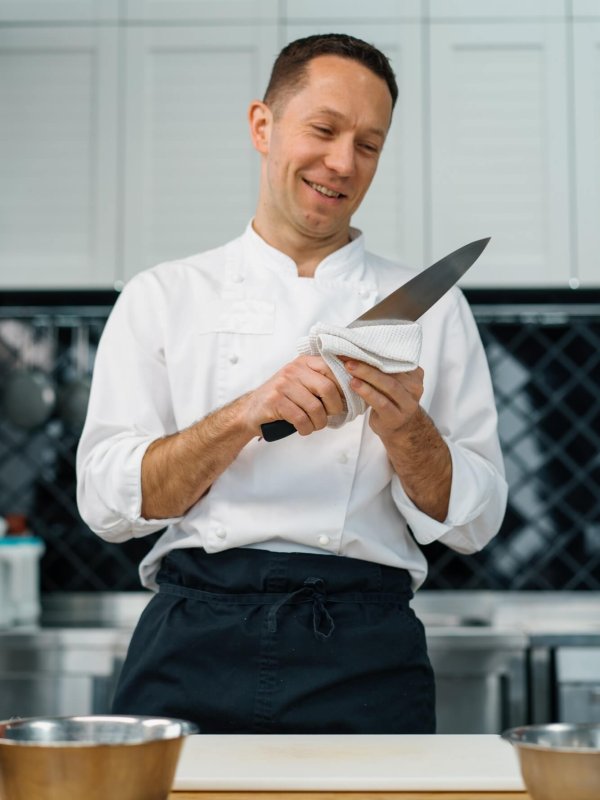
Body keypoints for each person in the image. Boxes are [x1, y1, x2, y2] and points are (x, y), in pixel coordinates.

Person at [76, 33, 508, 734]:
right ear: (262, 125)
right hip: (194, 639)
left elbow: (476, 521)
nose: (343, 162)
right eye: (325, 129)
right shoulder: (163, 297)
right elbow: (104, 501)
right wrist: (244, 415)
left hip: (364, 645)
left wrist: (408, 432)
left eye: (368, 144)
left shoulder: (431, 306)